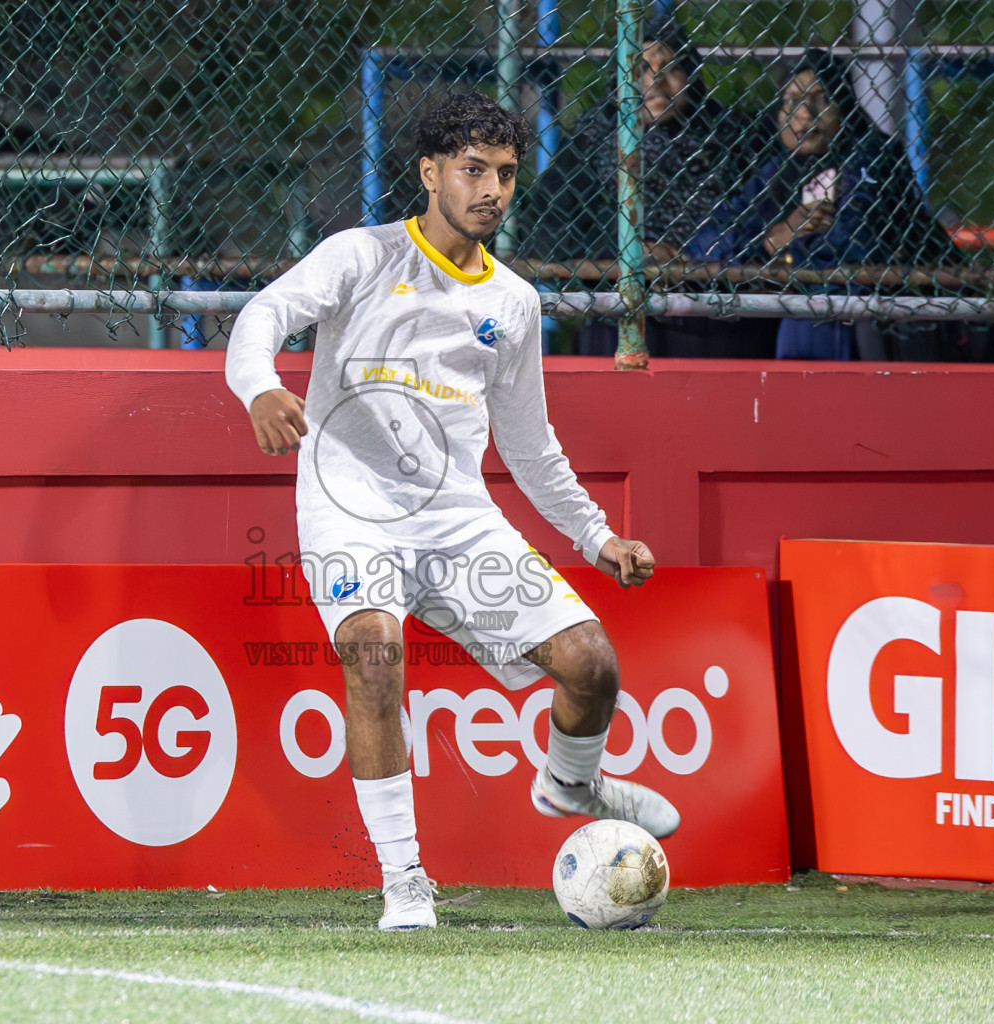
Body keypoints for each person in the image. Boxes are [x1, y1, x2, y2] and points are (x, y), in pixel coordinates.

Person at [225, 93, 678, 931]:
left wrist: (596, 533)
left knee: (592, 666)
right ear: (430, 172)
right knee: (371, 658)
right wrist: (260, 386)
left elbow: (529, 442)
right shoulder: (360, 256)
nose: (492, 189)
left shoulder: (512, 303)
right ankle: (404, 882)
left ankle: (569, 783)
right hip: (350, 508)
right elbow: (263, 316)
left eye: (505, 173)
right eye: (473, 170)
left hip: (457, 520)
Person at [523, 16, 772, 357]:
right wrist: (628, 248)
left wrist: (689, 253)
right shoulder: (593, 138)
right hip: (617, 313)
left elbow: (762, 217)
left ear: (692, 77)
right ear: (617, 81)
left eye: (670, 67)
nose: (655, 80)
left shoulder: (732, 136)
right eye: (639, 68)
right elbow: (544, 227)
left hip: (716, 317)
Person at [690, 51, 955, 360]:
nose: (805, 112)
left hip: (898, 314)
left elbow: (855, 251)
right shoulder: (776, 170)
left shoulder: (870, 157)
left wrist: (779, 257)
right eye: (790, 100)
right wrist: (774, 240)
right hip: (804, 304)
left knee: (813, 315)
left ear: (844, 108)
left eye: (822, 98)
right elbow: (706, 244)